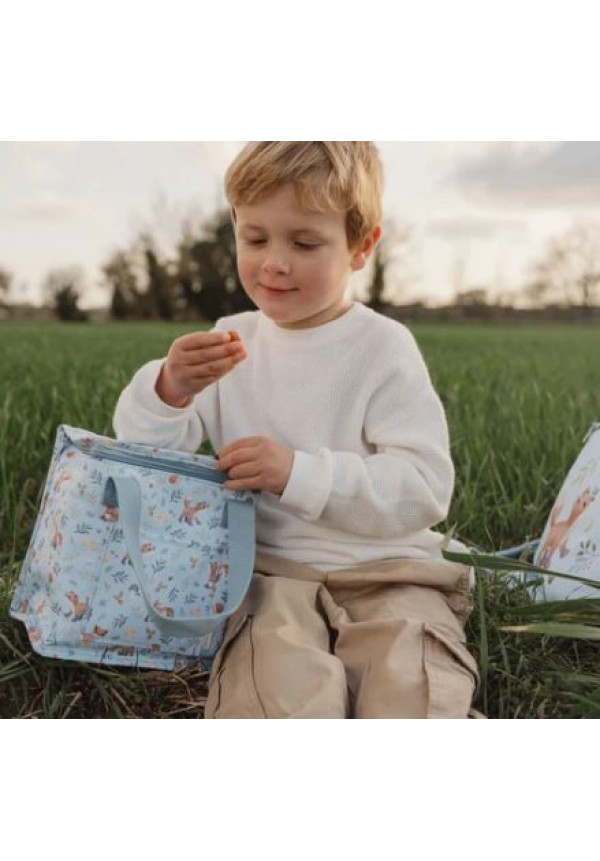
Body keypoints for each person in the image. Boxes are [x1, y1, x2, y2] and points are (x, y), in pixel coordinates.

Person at [112, 141, 481, 719]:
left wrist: (298, 474)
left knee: (411, 683)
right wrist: (169, 389)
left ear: (361, 247)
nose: (274, 263)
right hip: (269, 575)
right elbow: (148, 455)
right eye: (255, 238)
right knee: (271, 694)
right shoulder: (231, 341)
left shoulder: (382, 347)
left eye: (304, 243)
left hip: (391, 571)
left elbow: (424, 486)